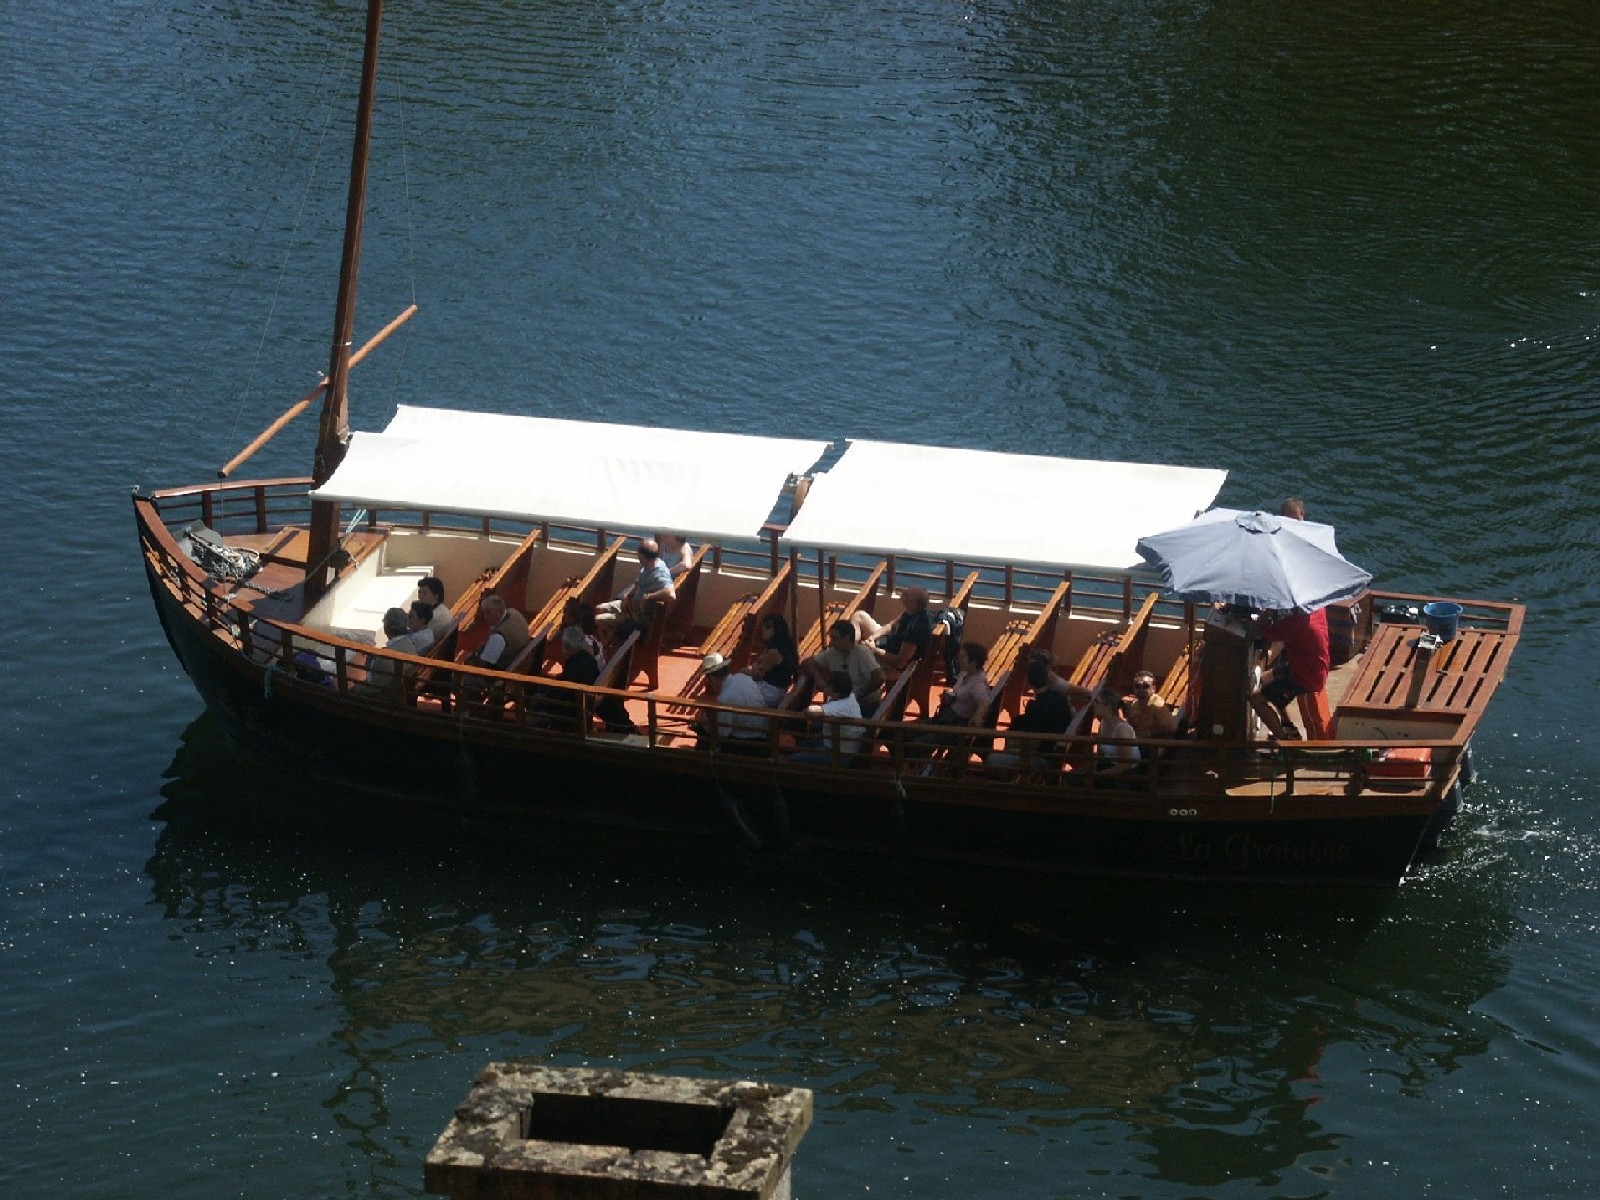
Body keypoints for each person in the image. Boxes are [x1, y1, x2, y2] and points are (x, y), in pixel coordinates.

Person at [1249, 606, 1331, 740]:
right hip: (1315, 667)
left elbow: (1256, 631)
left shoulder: (1292, 625)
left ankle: (1285, 742)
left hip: (1305, 678)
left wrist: (1269, 610)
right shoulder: (1318, 609)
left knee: (1256, 699)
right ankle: (1288, 725)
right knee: (1265, 680)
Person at [987, 655, 1077, 771]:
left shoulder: (1040, 705)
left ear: (1029, 681)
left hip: (1041, 756)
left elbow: (1036, 741)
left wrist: (1015, 743)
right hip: (1052, 751)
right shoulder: (1059, 699)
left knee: (991, 759)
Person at [596, 538, 676, 640]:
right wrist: (628, 595)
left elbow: (671, 594)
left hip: (636, 615)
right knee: (599, 608)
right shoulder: (648, 566)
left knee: (598, 620)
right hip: (629, 605)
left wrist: (648, 597)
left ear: (642, 556)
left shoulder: (658, 573)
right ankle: (611, 638)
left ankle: (609, 646)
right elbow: (639, 582)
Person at [797, 619, 884, 713]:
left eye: (834, 638)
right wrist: (819, 680)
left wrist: (859, 693)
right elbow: (807, 662)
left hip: (865, 704)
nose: (831, 642)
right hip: (839, 702)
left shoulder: (862, 653)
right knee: (816, 725)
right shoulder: (832, 653)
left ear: (846, 638)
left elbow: (879, 678)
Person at [697, 652, 771, 752]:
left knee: (702, 729)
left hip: (745, 743)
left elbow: (722, 733)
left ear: (711, 678)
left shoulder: (725, 698)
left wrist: (705, 723)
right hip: (761, 736)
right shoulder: (744, 678)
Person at [852, 585, 933, 673]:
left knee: (854, 659)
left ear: (913, 603)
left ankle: (852, 650)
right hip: (887, 643)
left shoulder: (917, 627)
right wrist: (873, 637)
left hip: (892, 665)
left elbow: (900, 662)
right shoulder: (911, 611)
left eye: (906, 594)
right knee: (859, 616)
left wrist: (873, 650)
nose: (903, 594)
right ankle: (852, 645)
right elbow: (891, 625)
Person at [791, 672, 864, 765]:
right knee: (804, 742)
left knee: (794, 759)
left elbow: (812, 711)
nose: (825, 685)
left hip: (840, 754)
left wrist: (806, 709)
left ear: (836, 691)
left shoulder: (840, 706)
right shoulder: (850, 697)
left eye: (828, 685)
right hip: (839, 746)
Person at [1089, 686, 1143, 782]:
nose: (1093, 705)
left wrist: (1100, 775)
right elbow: (1099, 755)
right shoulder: (1102, 724)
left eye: (1097, 702)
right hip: (1107, 766)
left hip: (1126, 774)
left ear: (1107, 706)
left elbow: (1126, 764)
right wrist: (1092, 771)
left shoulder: (1122, 730)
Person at [467, 593, 531, 670]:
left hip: (499, 672)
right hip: (517, 661)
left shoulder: (498, 637)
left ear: (499, 612)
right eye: (484, 613)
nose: (485, 617)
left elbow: (484, 665)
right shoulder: (515, 614)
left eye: (488, 613)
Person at [747, 613, 799, 705]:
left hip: (769, 693)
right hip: (776, 692)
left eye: (767, 626)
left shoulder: (774, 652)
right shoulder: (783, 648)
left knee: (737, 680)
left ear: (777, 629)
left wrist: (745, 670)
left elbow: (757, 675)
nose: (763, 629)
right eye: (763, 625)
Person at [1125, 669, 1178, 739]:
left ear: (1154, 689)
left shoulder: (1158, 705)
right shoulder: (1134, 705)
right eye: (1137, 686)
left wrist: (1149, 733)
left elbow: (1171, 728)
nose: (1141, 690)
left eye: (1146, 686)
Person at [417, 576, 454, 642]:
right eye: (419, 592)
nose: (420, 597)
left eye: (424, 593)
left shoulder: (436, 616)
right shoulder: (440, 608)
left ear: (436, 595)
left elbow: (419, 638)